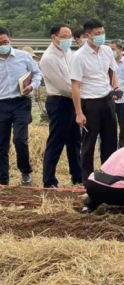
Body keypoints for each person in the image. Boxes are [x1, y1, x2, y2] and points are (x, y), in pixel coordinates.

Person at [70, 19, 121, 184]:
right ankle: (88, 182)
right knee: (88, 145)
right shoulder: (79, 57)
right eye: (97, 34)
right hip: (90, 103)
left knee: (110, 142)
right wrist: (79, 113)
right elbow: (75, 86)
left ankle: (108, 177)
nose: (101, 36)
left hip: (107, 100)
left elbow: (112, 71)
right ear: (87, 35)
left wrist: (116, 86)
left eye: (102, 33)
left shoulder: (106, 51)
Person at [40, 23, 82, 187]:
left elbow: (76, 78)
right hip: (59, 101)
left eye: (70, 36)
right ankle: (49, 180)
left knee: (75, 141)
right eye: (64, 37)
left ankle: (77, 177)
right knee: (56, 141)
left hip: (72, 101)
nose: (68, 40)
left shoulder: (68, 53)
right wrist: (81, 94)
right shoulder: (49, 58)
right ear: (54, 37)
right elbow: (64, 86)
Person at [0, 27, 42, 186]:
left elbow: (37, 73)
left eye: (5, 42)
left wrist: (32, 86)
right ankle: (3, 178)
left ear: (10, 40)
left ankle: (26, 172)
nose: (3, 45)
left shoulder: (23, 57)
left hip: (21, 103)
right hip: (1, 104)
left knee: (20, 139)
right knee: (1, 143)